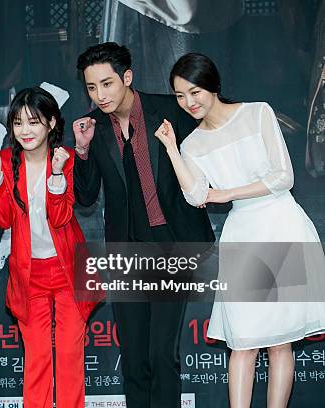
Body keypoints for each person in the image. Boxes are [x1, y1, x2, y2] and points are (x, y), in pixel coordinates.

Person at [154, 52, 325, 408]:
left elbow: (284, 177)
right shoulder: (192, 143)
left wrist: (227, 192)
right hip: (242, 234)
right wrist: (172, 149)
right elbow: (196, 195)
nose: (189, 102)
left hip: (281, 225)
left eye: (195, 92)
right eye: (181, 96)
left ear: (213, 85)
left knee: (281, 341)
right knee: (243, 341)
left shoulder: (257, 112)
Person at [72, 42, 214, 408]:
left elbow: (204, 166)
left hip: (172, 245)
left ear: (127, 77)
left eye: (107, 84)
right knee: (134, 357)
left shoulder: (168, 110)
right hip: (125, 252)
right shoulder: (94, 127)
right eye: (91, 87)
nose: (100, 95)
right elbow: (85, 198)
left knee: (161, 353)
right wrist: (82, 150)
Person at [0, 87, 100, 407]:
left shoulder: (66, 158)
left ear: (50, 123)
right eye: (18, 123)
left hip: (68, 270)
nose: (25, 131)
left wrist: (57, 174)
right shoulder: (6, 162)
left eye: (33, 122)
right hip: (28, 273)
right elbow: (4, 220)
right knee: (36, 359)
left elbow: (61, 217)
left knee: (69, 356)